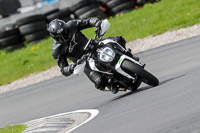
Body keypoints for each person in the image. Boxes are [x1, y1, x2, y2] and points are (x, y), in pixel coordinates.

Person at [48, 17, 138, 92]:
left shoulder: (72, 24)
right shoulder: (56, 51)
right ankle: (113, 85)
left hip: (93, 45)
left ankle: (129, 56)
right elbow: (63, 69)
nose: (65, 36)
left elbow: (88, 21)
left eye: (66, 32)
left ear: (67, 27)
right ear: (55, 37)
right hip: (83, 61)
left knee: (118, 39)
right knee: (99, 82)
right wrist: (70, 68)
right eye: (61, 36)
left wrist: (97, 23)